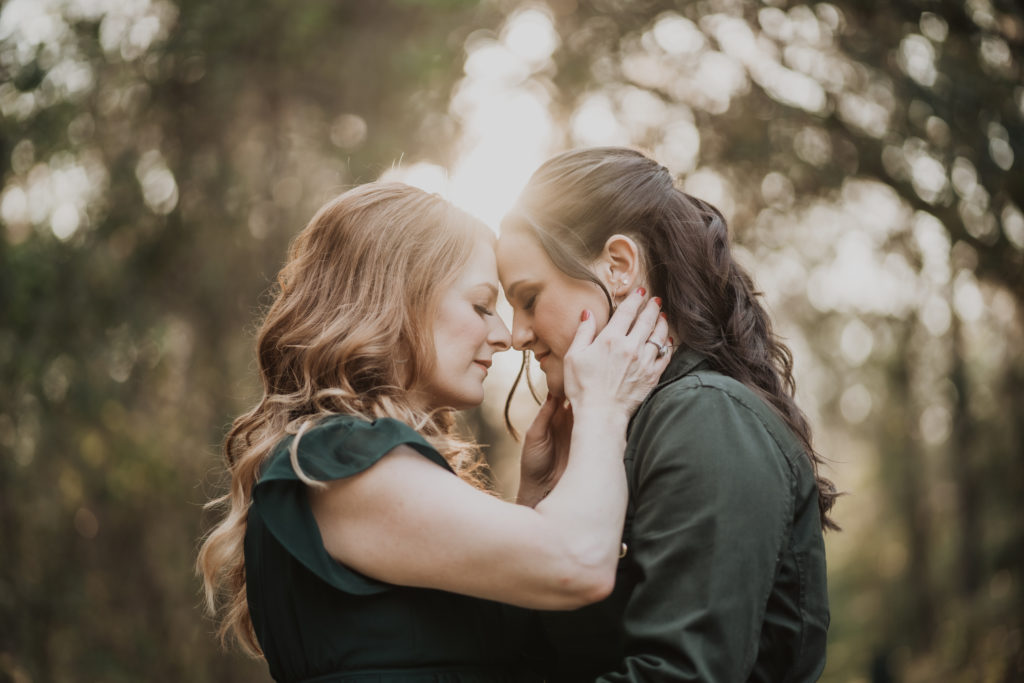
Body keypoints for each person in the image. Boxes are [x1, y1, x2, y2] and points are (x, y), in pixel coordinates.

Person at [196, 181, 671, 682]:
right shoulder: (337, 459)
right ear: (400, 296)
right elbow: (578, 564)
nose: (505, 336)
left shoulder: (360, 462)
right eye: (483, 306)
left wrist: (533, 496)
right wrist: (604, 405)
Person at [497, 147, 839, 682]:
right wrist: (535, 504)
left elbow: (680, 674)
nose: (516, 335)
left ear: (618, 266)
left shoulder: (705, 417)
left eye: (529, 298)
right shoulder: (616, 436)